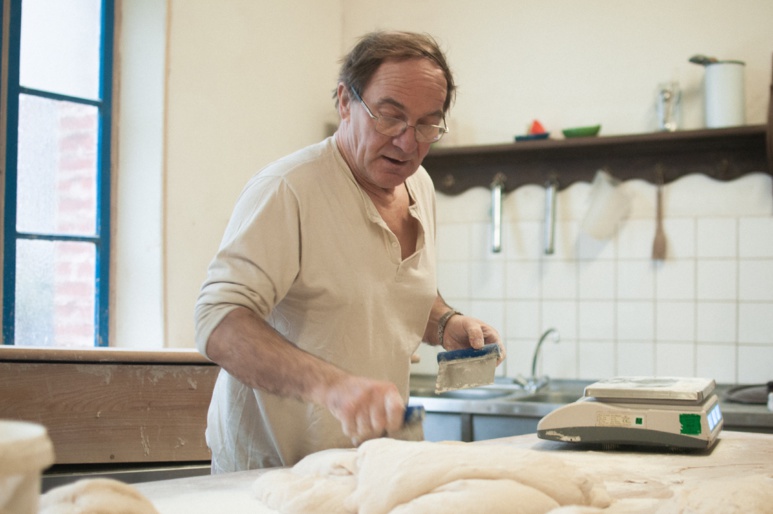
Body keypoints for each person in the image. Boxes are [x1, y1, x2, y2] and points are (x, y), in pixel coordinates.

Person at [194, 30, 504, 473]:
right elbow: (218, 322)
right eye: (389, 116)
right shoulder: (289, 190)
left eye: (427, 124)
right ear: (345, 101)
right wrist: (332, 387)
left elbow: (382, 286)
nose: (407, 141)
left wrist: (445, 323)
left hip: (372, 466)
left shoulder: (419, 185)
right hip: (274, 474)